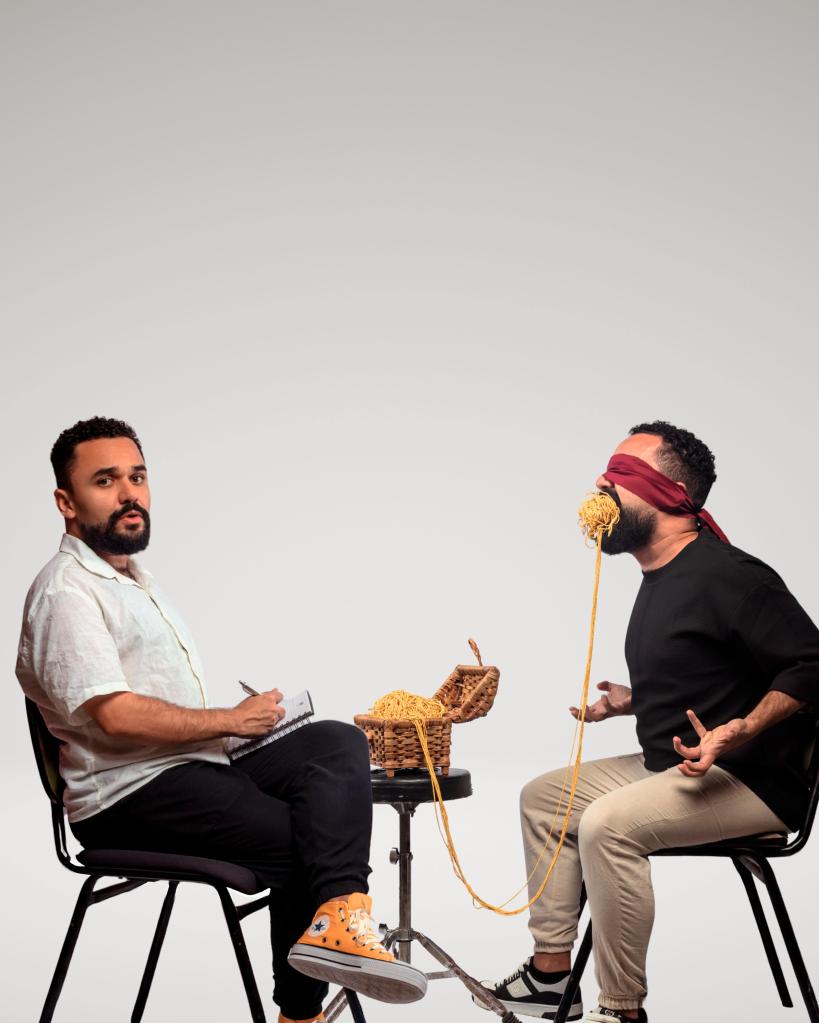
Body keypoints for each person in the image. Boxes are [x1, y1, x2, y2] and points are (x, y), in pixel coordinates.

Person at [16, 416, 427, 1023]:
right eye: (105, 481)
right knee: (311, 838)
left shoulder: (134, 582)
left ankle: (342, 914)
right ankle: (302, 1012)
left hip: (189, 767)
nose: (129, 493)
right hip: (126, 795)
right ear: (66, 502)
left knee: (335, 741)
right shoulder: (67, 592)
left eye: (137, 477)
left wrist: (242, 728)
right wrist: (227, 719)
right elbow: (114, 717)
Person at [480, 421, 819, 1023]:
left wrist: (743, 728)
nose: (601, 483)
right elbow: (711, 674)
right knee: (544, 799)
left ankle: (622, 1009)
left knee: (606, 826)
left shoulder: (733, 575)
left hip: (753, 780)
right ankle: (551, 976)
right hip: (676, 763)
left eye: (620, 473)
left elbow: (811, 664)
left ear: (669, 493)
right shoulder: (663, 575)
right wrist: (633, 701)